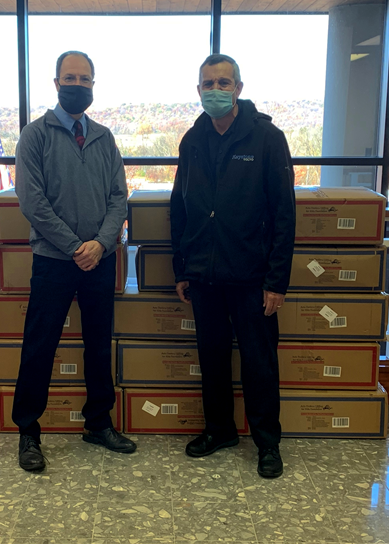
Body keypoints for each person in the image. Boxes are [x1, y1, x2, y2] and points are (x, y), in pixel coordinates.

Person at [170, 54, 295, 479]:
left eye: (224, 83)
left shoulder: (266, 138)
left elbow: (283, 214)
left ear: (239, 88)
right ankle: (219, 430)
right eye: (208, 83)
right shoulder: (192, 140)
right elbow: (179, 207)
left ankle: (267, 443)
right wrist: (181, 267)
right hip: (204, 274)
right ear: (198, 89)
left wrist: (277, 280)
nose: (216, 90)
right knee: (213, 359)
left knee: (260, 363)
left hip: (252, 276)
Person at [13, 50, 136, 472]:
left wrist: (100, 245)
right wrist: (74, 247)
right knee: (40, 345)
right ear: (56, 82)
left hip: (99, 260)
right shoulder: (36, 135)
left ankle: (98, 423)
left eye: (85, 79)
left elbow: (119, 197)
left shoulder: (103, 137)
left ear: (93, 85)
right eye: (70, 77)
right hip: (54, 260)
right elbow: (32, 202)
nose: (77, 85)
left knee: (99, 345)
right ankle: (28, 431)